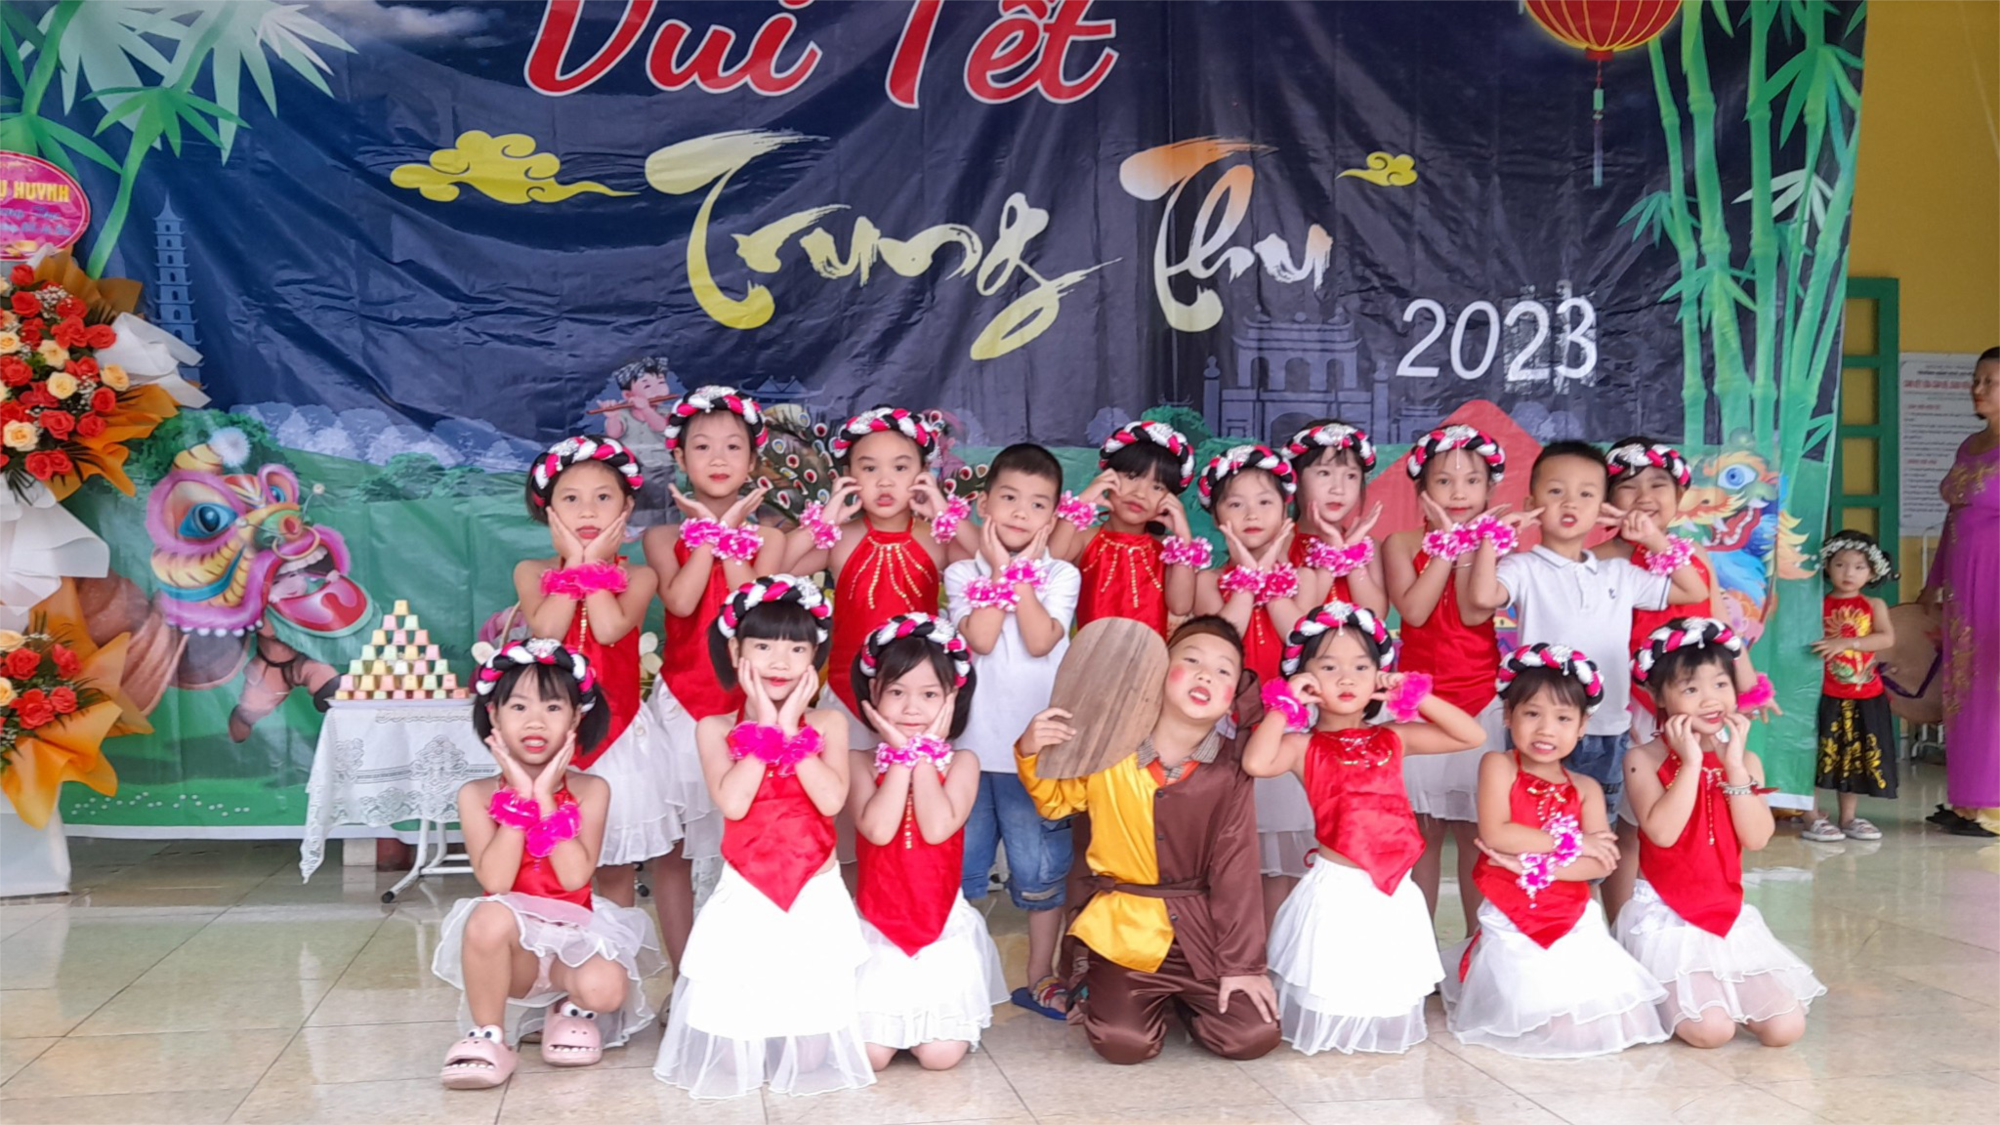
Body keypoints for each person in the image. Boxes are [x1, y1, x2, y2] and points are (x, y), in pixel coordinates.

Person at [1014, 617, 1281, 1065]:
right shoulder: (1110, 752)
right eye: (1191, 660)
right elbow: (1056, 803)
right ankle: (1098, 979)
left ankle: (1180, 1003)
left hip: (1201, 937)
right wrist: (1029, 749)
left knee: (1252, 1035)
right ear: (1157, 673)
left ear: (1233, 696)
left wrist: (1243, 968)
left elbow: (1236, 870)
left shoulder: (1230, 771)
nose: (1205, 675)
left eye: (1223, 670)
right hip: (1123, 933)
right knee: (1124, 1044)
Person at [653, 576, 874, 1098]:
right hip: (746, 893)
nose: (780, 661)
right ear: (736, 652)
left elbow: (830, 801)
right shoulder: (713, 728)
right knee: (733, 1063)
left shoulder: (828, 724)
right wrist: (768, 729)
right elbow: (733, 802)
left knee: (808, 1059)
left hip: (813, 892)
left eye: (797, 649)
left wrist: (792, 727)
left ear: (815, 656)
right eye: (764, 646)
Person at [1245, 601, 1486, 1055]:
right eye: (1329, 667)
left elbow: (1471, 735)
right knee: (1335, 978)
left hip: (1393, 885)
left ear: (1379, 675)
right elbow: (1256, 762)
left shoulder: (1394, 736)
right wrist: (1285, 704)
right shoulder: (1301, 745)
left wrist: (1414, 695)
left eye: (1360, 667)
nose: (1346, 678)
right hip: (1338, 883)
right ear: (1306, 676)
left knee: (1385, 981)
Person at [434, 639, 665, 1089]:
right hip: (512, 951)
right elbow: (497, 879)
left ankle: (568, 1010)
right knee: (488, 915)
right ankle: (488, 1036)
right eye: (518, 707)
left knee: (606, 990)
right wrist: (518, 797)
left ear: (576, 718)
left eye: (553, 707)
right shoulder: (476, 795)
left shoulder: (592, 790)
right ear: (494, 717)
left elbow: (575, 875)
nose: (535, 721)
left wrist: (544, 798)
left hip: (571, 941)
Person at [1467, 441, 1707, 842]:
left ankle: (1585, 886)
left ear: (1602, 509)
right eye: (1555, 491)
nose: (1570, 503)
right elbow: (1481, 596)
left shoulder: (1618, 573)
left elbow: (1693, 589)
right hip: (1538, 725)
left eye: (1586, 494)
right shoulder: (1523, 567)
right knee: (1528, 832)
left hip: (1604, 728)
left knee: (1594, 838)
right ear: (1531, 503)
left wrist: (1653, 538)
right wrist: (1493, 542)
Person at [1440, 644, 1669, 1058]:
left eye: (1563, 718)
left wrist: (1532, 866)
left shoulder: (1587, 788)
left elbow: (1598, 863)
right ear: (1508, 715)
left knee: (1627, 1021)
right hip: (1514, 918)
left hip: (1575, 918)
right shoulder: (1498, 765)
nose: (1546, 730)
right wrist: (1574, 842)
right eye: (1532, 714)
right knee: (1558, 1025)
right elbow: (1498, 833)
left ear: (1582, 726)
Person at [1619, 618, 1825, 1049]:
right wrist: (1691, 763)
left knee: (1786, 1028)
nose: (1710, 699)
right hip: (1667, 918)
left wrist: (1733, 766)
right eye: (1691, 689)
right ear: (1659, 696)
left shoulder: (1744, 760)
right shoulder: (1642, 758)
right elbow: (1662, 833)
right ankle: (1656, 992)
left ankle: (1712, 992)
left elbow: (1757, 838)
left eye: (1720, 684)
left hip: (1726, 913)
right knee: (1712, 1031)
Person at [1600, 437, 1778, 919]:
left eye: (1658, 485)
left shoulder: (1692, 554)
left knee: (1692, 809)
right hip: (1630, 705)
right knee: (1630, 823)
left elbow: (1720, 626)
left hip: (1691, 703)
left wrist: (1748, 686)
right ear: (1608, 498)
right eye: (1628, 486)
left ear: (1679, 497)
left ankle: (1682, 913)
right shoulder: (1599, 559)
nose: (1644, 496)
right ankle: (1625, 929)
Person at [636, 386, 782, 971]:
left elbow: (752, 609)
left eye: (732, 446)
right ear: (679, 457)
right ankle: (685, 978)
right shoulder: (660, 537)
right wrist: (707, 534)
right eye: (702, 446)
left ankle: (741, 976)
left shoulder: (769, 538)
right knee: (673, 852)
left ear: (753, 460)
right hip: (682, 703)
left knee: (746, 839)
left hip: (750, 707)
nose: (718, 458)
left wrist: (731, 535)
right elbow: (681, 600)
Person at [942, 443, 1083, 1020]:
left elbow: (1041, 640)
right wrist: (1000, 572)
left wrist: (1020, 579)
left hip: (1037, 757)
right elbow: (978, 637)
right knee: (963, 873)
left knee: (1041, 873)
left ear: (1053, 516)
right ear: (983, 505)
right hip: (971, 754)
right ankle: (957, 979)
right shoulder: (960, 572)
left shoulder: (1061, 575)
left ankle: (1039, 976)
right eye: (1009, 499)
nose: (1021, 513)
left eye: (1037, 504)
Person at [847, 614, 1007, 1070]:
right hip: (876, 922)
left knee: (940, 1056)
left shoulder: (964, 762)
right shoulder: (859, 761)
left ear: (953, 697)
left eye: (930, 695)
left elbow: (937, 827)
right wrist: (902, 755)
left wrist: (922, 757)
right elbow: (878, 829)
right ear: (874, 693)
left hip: (939, 925)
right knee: (871, 1056)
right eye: (897, 692)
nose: (912, 708)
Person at [511, 437, 663, 905]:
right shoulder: (530, 570)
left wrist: (592, 565)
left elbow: (610, 628)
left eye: (603, 497)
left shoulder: (640, 576)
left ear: (626, 507)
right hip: (549, 731)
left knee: (614, 865)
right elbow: (548, 631)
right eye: (571, 499)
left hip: (617, 730)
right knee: (550, 859)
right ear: (549, 509)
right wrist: (574, 564)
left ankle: (615, 949)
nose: (588, 511)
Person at [1382, 425, 1515, 934]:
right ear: (1421, 489)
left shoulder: (1498, 547)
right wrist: (1445, 546)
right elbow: (1414, 612)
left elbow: (1473, 610)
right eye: (1444, 480)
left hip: (1483, 699)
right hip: (1418, 702)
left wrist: (1472, 548)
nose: (1459, 492)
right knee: (1422, 833)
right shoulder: (1399, 544)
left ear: (1490, 488)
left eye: (1472, 481)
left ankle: (1477, 952)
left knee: (1478, 833)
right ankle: (1418, 952)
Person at [784, 408, 967, 750]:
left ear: (924, 474)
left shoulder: (937, 539)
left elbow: (991, 565)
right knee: (846, 776)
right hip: (846, 690)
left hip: (917, 696)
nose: (885, 481)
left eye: (900, 468)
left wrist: (945, 514)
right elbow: (776, 568)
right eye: (869, 469)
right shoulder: (840, 538)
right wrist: (823, 522)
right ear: (848, 476)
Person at [1191, 445, 1315, 925]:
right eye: (1236, 503)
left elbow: (1302, 640)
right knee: (1232, 853)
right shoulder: (1209, 580)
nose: (1251, 514)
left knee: (1285, 851)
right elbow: (1224, 641)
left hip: (1286, 726)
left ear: (1286, 509)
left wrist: (1270, 576)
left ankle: (1279, 951)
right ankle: (1234, 949)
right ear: (1216, 515)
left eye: (1265, 502)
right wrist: (1246, 578)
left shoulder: (1305, 576)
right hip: (1226, 724)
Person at [1921, 347, 2000, 837]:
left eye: (1990, 381)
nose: (1978, 389)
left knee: (1993, 692)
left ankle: (1994, 807)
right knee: (1960, 692)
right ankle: (1968, 801)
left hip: (1995, 585)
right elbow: (1954, 518)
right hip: (1962, 589)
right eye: (1977, 379)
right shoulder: (1970, 445)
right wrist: (1934, 581)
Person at [1049, 420, 1202, 636]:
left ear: (1171, 500)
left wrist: (1183, 537)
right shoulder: (1085, 538)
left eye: (1157, 487)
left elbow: (1181, 606)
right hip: (1090, 653)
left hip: (1150, 655)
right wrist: (1080, 503)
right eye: (1132, 477)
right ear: (1107, 478)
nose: (1140, 493)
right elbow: (1050, 562)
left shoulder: (1166, 550)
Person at [1801, 530, 1898, 842]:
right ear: (1827, 566)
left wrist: (1846, 643)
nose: (1849, 573)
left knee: (1853, 756)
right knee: (1818, 754)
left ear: (1872, 572)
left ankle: (1848, 817)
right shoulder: (1815, 604)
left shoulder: (1874, 604)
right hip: (1823, 693)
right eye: (1840, 565)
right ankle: (1811, 815)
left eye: (1859, 567)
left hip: (1865, 693)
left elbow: (1886, 638)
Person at [1283, 420, 1388, 617]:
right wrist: (1332, 554)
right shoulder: (1279, 544)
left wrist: (1351, 553)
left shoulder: (1369, 546)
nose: (1338, 489)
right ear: (1296, 478)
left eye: (1351, 476)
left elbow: (1376, 616)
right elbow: (1296, 620)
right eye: (1324, 473)